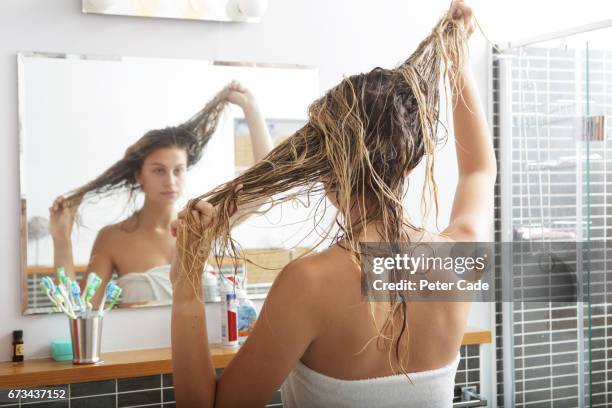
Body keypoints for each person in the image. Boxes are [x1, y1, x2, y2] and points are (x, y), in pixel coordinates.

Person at [171, 1, 495, 406]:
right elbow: (479, 171)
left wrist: (186, 286)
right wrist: (457, 61)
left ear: (325, 169)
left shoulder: (307, 284)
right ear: (409, 168)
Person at [49, 81, 273, 307]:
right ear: (139, 175)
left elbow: (266, 189)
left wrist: (251, 109)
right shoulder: (113, 239)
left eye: (178, 170)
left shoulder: (200, 225)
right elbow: (80, 309)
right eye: (158, 170)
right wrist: (62, 243)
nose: (170, 181)